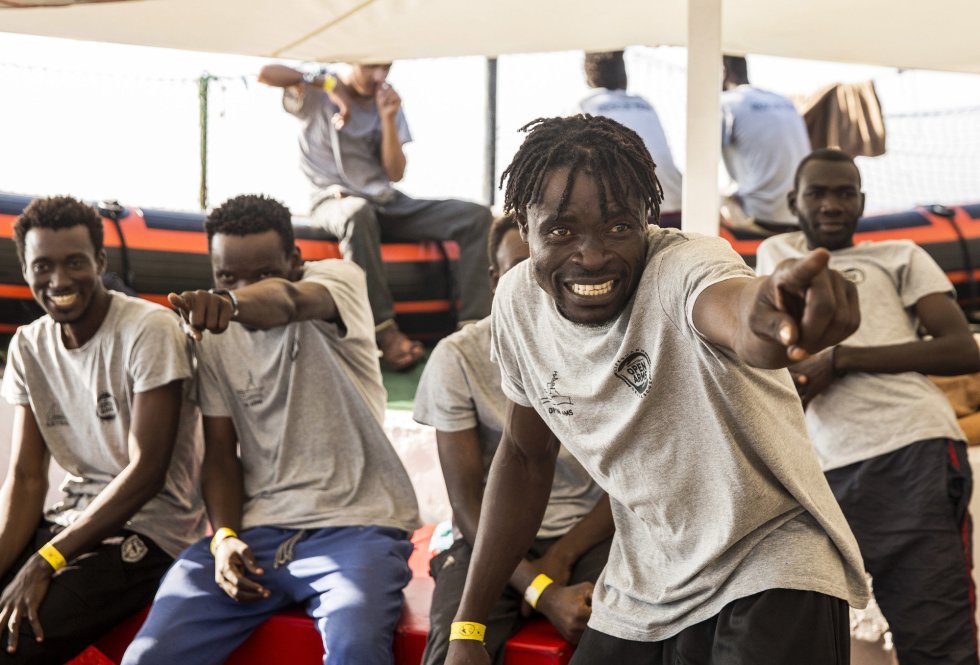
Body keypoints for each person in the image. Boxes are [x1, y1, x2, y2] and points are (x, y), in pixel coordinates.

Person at [443, 115, 870, 665]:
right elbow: (525, 458)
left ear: (646, 219)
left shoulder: (683, 267)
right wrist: (468, 629)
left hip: (771, 566)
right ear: (524, 228)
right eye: (561, 231)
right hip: (645, 583)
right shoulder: (517, 305)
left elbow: (737, 312)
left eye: (618, 227)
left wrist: (770, 316)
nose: (592, 255)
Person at [121, 194, 420, 665]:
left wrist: (232, 301)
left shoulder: (337, 281)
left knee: (355, 650)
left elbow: (287, 300)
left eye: (262, 273)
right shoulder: (213, 339)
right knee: (148, 656)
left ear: (296, 261)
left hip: (359, 525)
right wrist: (224, 538)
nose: (242, 285)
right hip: (258, 533)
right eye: (227, 277)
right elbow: (220, 453)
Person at [756, 148, 980, 665]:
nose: (831, 204)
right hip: (816, 472)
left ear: (862, 202)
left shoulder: (899, 255)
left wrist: (844, 359)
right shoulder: (777, 254)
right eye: (817, 193)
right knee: (803, 638)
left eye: (844, 193)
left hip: (908, 446)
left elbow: (961, 347)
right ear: (794, 201)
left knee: (934, 637)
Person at [0, 195, 206, 664]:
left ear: (100, 261)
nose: (59, 280)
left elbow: (147, 472)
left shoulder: (148, 329)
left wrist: (46, 560)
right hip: (70, 521)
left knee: (11, 642)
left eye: (75, 262)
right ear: (25, 269)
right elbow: (28, 479)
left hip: (150, 531)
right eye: (43, 265)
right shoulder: (29, 347)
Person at [414, 214, 613, 664]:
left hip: (586, 534)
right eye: (518, 267)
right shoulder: (458, 357)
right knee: (453, 650)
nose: (533, 283)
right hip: (484, 533)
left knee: (624, 634)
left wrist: (562, 555)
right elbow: (467, 504)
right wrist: (543, 591)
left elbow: (626, 485)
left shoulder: (605, 345)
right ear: (493, 278)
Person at [258, 61, 494, 371]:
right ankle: (384, 332)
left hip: (387, 202)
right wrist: (329, 85)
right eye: (371, 67)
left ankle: (472, 330)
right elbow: (266, 74)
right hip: (335, 200)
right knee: (358, 212)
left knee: (475, 215)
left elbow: (395, 172)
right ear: (350, 60)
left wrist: (388, 117)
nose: (379, 76)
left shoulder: (387, 101)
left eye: (386, 67)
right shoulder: (317, 90)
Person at [578, 51, 683, 228]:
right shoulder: (644, 103)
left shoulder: (585, 105)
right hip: (677, 205)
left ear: (588, 77)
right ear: (624, 76)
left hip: (635, 215)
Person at [721, 55, 811, 231]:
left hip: (759, 217)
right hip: (801, 214)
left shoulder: (726, 103)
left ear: (723, 71)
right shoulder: (784, 101)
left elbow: (700, 164)